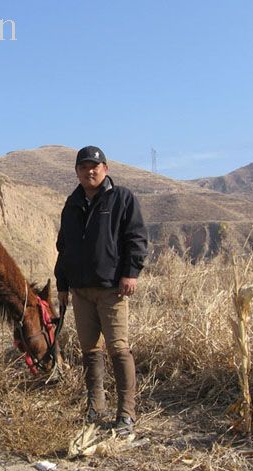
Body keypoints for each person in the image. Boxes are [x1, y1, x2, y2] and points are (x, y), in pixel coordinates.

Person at [55, 145, 148, 435]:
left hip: (112, 290)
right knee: (90, 350)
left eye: (95, 166)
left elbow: (136, 238)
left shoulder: (122, 198)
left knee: (119, 349)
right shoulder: (71, 204)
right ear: (77, 172)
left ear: (106, 169)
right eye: (83, 167)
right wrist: (62, 284)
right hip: (81, 291)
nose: (89, 171)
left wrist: (130, 273)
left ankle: (126, 414)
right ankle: (95, 408)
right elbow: (64, 248)